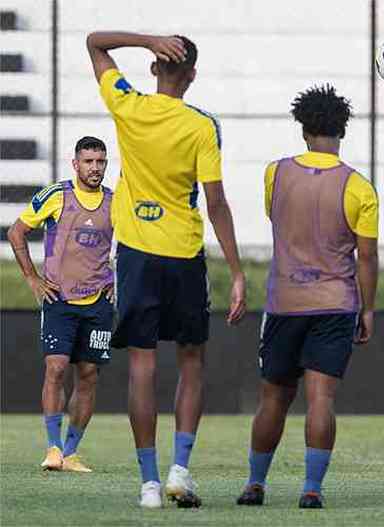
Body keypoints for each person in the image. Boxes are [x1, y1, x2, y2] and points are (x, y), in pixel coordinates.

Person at [86, 31, 247, 508]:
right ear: (192, 75)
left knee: (141, 364)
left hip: (136, 254)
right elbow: (215, 201)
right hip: (183, 255)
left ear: (155, 68)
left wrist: (146, 39)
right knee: (192, 361)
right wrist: (236, 271)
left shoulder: (127, 105)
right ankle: (181, 468)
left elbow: (95, 43)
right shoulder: (202, 126)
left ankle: (149, 484)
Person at [234, 84, 379, 509]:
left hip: (284, 303)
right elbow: (367, 257)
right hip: (335, 303)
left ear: (302, 129)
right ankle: (311, 489)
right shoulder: (358, 187)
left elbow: (276, 219)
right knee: (321, 399)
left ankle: (254, 484)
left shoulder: (274, 173)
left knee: (273, 399)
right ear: (343, 130)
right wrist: (368, 308)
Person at [8, 136, 114, 474]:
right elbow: (16, 232)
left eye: (100, 161)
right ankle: (52, 448)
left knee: (88, 376)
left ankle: (71, 452)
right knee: (55, 368)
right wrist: (32, 278)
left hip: (98, 303)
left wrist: (118, 280)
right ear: (75, 164)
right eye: (88, 161)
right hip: (59, 300)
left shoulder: (116, 201)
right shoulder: (57, 195)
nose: (95, 168)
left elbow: (133, 242)